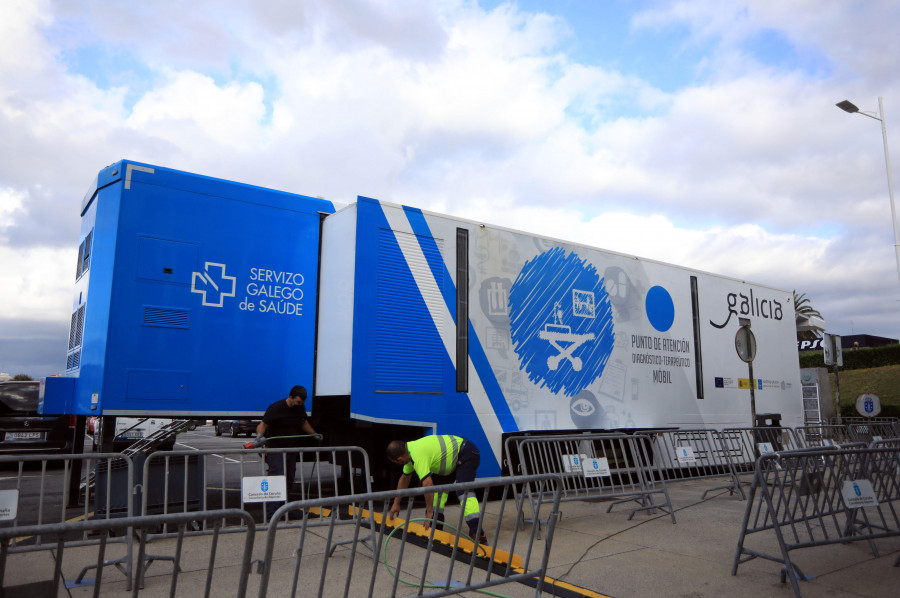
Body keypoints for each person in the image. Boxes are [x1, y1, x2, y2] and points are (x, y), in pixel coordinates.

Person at [386, 435, 488, 544]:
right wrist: (396, 503)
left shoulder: (416, 454)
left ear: (399, 459)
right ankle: (436, 527)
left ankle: (477, 532)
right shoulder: (409, 453)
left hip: (466, 453)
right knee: (437, 491)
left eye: (396, 462)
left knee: (464, 491)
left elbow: (427, 484)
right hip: (453, 459)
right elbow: (404, 479)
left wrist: (429, 512)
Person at [255, 385, 319, 519]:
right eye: (297, 402)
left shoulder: (300, 408)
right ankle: (272, 513)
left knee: (289, 480)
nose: (299, 405)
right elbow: (263, 425)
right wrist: (259, 437)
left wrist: (314, 434)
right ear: (290, 397)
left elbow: (303, 423)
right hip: (276, 450)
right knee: (277, 479)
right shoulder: (276, 408)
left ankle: (284, 510)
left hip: (291, 450)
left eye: (301, 403)